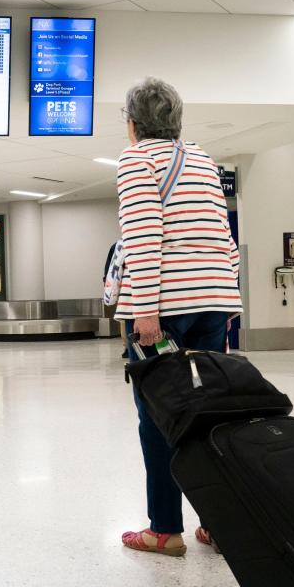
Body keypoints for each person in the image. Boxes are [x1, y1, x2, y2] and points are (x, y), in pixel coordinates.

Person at [114, 77, 242, 557]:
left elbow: (144, 237)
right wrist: (224, 299)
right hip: (214, 301)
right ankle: (219, 522)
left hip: (164, 308)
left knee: (159, 419)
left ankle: (165, 530)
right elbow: (223, 237)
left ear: (131, 124)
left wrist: (144, 311)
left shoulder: (136, 160)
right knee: (209, 414)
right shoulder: (203, 160)